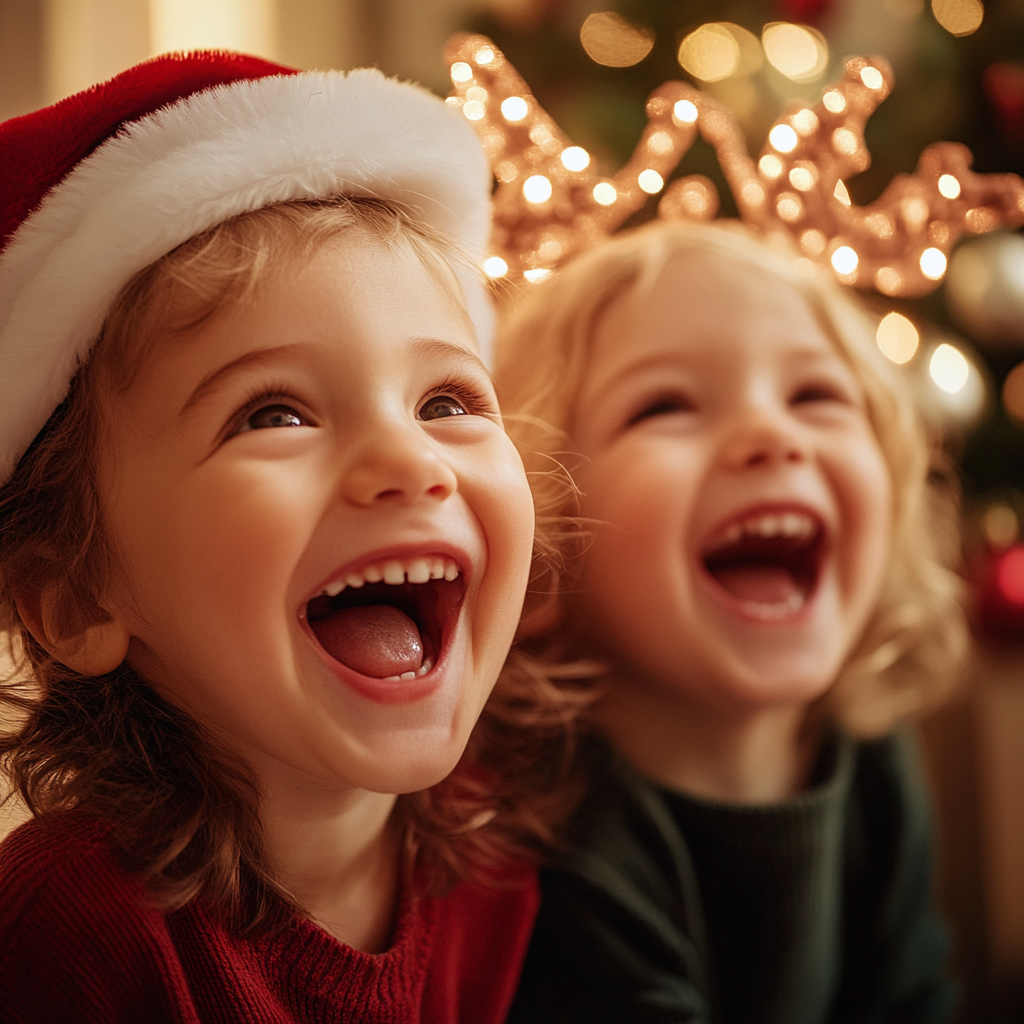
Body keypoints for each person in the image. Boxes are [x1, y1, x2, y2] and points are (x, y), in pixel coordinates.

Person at [0, 51, 553, 1023]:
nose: (409, 461)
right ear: (78, 596)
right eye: (273, 415)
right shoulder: (69, 933)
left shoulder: (495, 860)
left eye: (446, 399)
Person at [495, 221, 967, 1024]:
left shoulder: (871, 757)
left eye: (814, 395)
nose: (770, 436)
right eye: (666, 406)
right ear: (543, 543)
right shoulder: (550, 844)